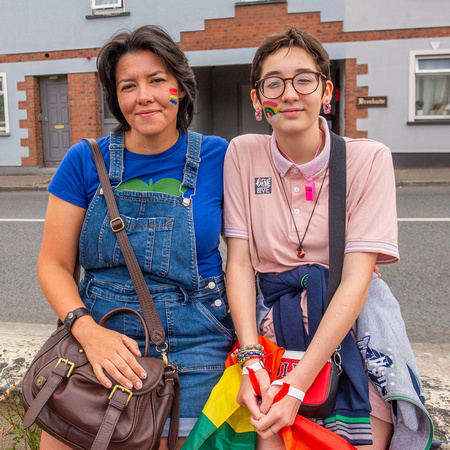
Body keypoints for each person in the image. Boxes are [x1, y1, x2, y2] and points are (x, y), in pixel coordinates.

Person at [37, 25, 234, 449]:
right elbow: (52, 264)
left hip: (197, 341)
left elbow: (247, 254)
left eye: (157, 80)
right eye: (129, 86)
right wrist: (87, 332)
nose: (143, 95)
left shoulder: (220, 157)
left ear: (180, 87)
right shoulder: (84, 161)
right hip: (100, 330)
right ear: (117, 100)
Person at [223, 28, 400, 449]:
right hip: (271, 331)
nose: (289, 94)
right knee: (269, 437)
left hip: (351, 329)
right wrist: (250, 360)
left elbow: (357, 280)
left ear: (327, 93)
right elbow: (240, 264)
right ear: (256, 100)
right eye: (274, 83)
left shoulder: (367, 160)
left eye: (304, 79)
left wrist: (300, 385)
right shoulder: (243, 154)